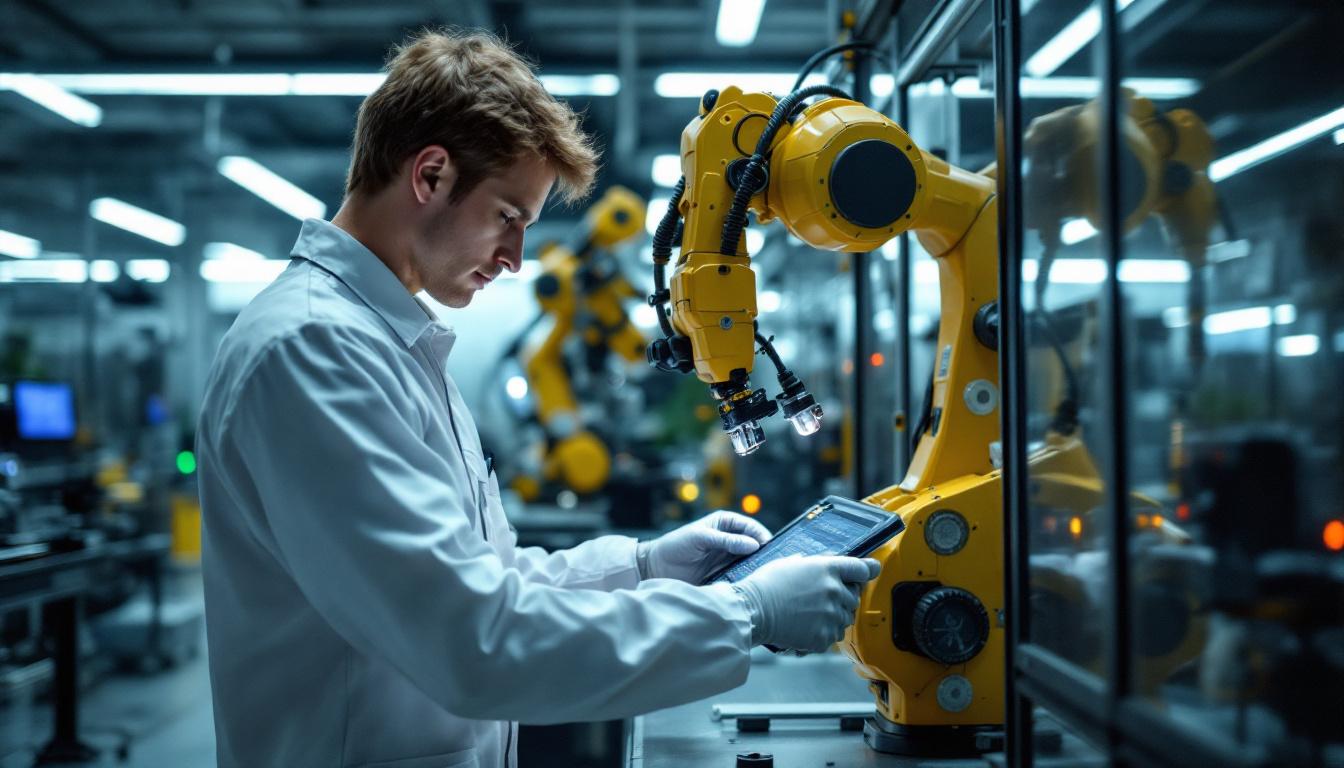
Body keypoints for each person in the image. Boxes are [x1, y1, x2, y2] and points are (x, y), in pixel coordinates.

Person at [196, 28, 880, 768]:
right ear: (429, 175)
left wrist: (644, 566)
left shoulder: (388, 341)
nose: (518, 258)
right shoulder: (312, 352)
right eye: (508, 217)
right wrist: (747, 611)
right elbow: (475, 641)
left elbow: (483, 576)